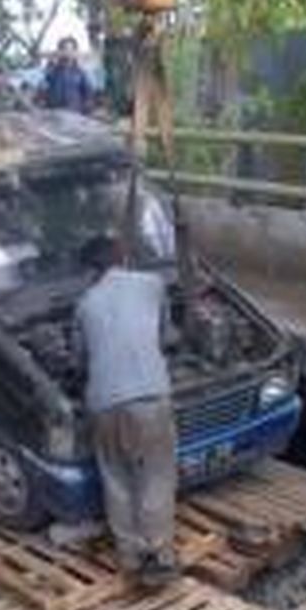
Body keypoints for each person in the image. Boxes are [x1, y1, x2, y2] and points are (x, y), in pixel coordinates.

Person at [75, 235, 179, 589]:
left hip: (104, 403)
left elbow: (80, 359)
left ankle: (130, 558)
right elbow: (166, 338)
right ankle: (160, 555)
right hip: (150, 396)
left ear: (91, 270)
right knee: (156, 475)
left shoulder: (85, 304)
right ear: (123, 256)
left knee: (116, 478)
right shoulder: (153, 284)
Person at [44, 37, 93, 114]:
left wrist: (86, 109)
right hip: (54, 114)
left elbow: (88, 95)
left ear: (74, 51)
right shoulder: (52, 72)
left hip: (75, 114)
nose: (67, 52)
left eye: (70, 49)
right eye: (64, 49)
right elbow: (43, 88)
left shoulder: (81, 73)